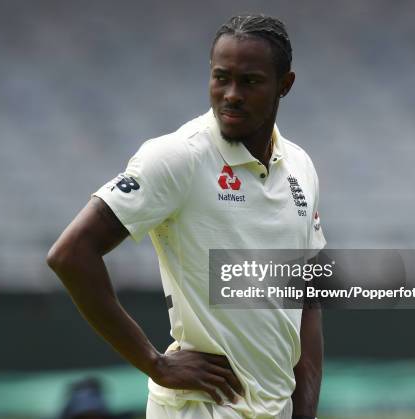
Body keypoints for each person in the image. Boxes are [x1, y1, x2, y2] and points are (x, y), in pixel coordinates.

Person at [48, 14, 325, 419]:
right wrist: (153, 362)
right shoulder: (179, 156)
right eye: (220, 78)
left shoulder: (300, 166)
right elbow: (70, 253)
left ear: (285, 85)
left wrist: (304, 410)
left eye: (249, 81)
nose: (231, 94)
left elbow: (305, 296)